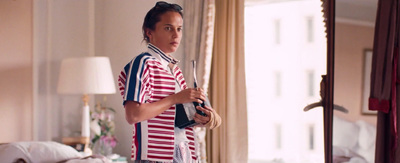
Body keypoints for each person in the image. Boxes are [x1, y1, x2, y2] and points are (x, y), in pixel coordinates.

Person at [118, 1, 221, 163]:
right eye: (168, 28)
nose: (176, 34)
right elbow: (133, 115)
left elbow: (173, 119)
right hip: (155, 157)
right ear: (149, 32)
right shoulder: (142, 63)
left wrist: (201, 118)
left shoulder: (174, 70)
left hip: (183, 153)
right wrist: (176, 98)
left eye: (179, 29)